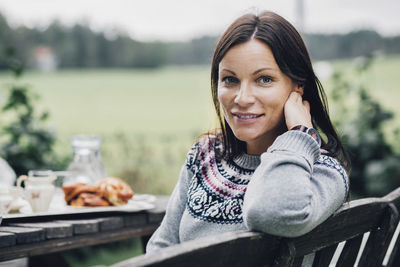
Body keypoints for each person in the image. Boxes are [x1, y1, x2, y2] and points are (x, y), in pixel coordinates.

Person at [146, 11, 350, 254]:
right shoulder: (205, 154)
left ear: (298, 86)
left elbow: (270, 212)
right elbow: (162, 246)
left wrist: (300, 136)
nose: (242, 98)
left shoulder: (323, 172)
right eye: (230, 80)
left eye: (264, 79)